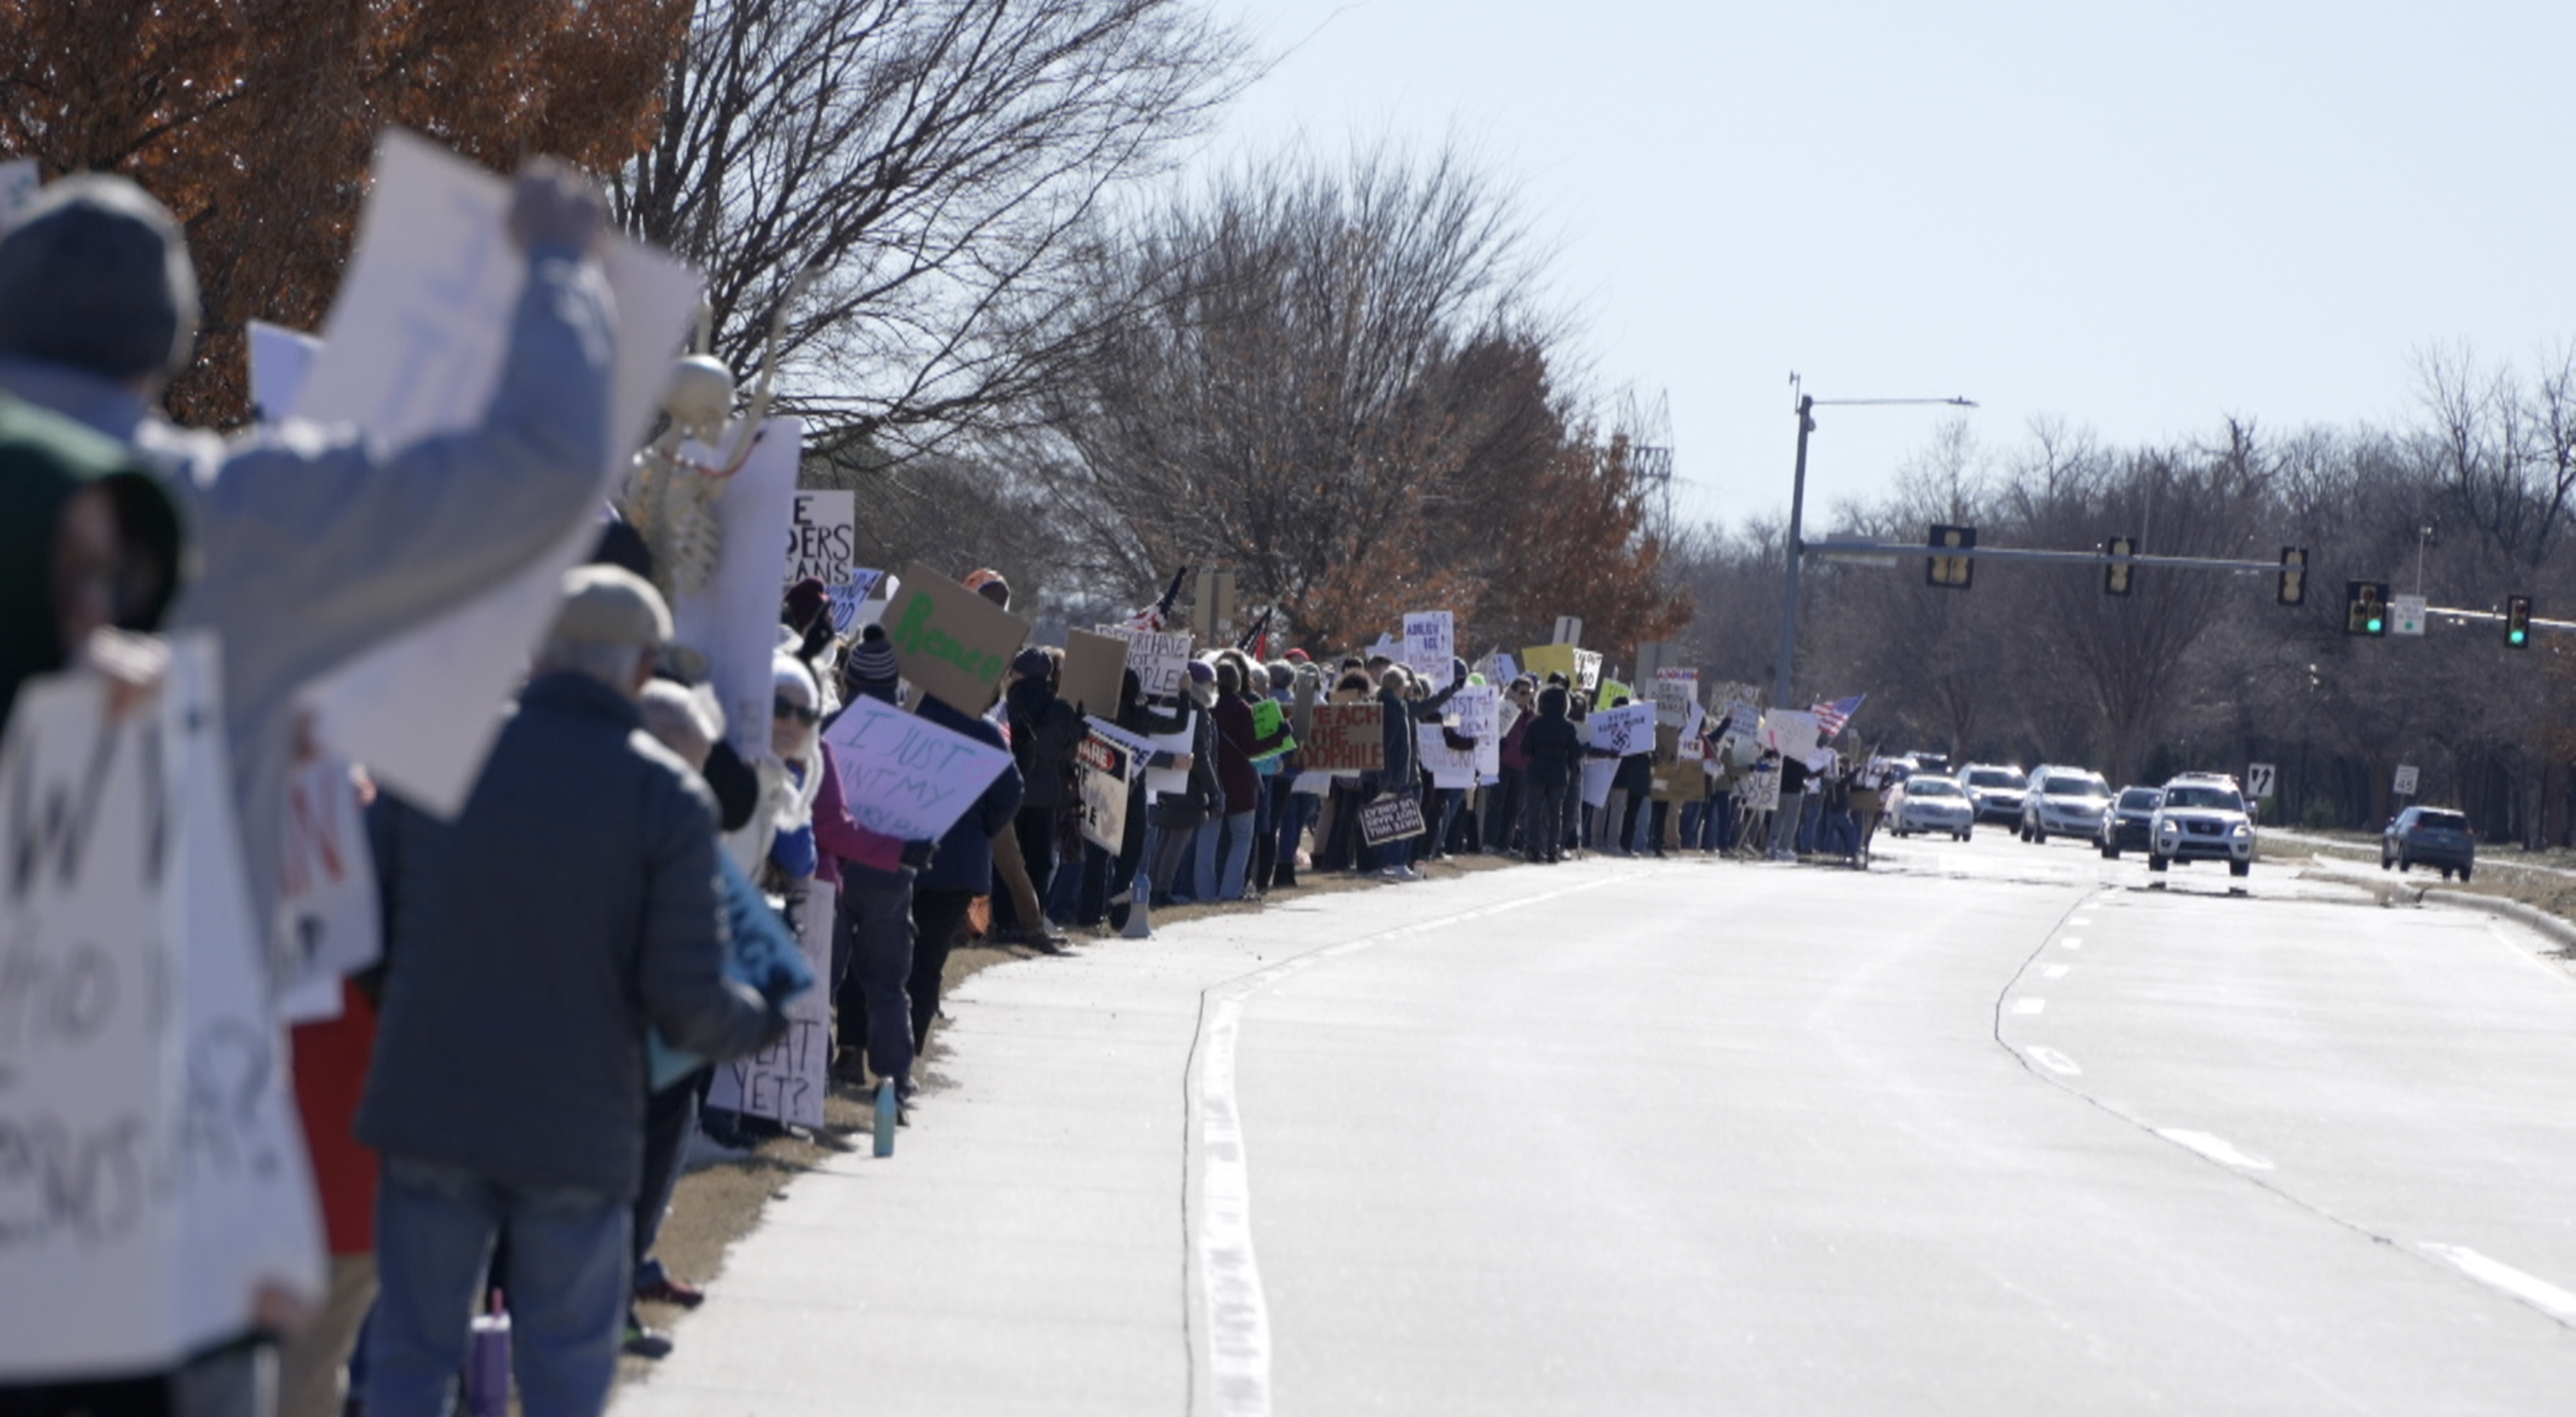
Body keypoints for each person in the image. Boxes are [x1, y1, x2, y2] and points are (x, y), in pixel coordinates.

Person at [0, 161, 618, 998]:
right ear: (168, 342)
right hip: (132, 1083)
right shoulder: (235, 519)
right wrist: (558, 268)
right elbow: (542, 462)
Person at [357, 567, 788, 1417]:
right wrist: (762, 1016)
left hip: (431, 1103)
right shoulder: (664, 796)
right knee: (562, 1373)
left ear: (538, 654)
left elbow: (364, 937)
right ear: (640, 672)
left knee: (408, 1359)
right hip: (579, 1121)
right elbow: (684, 994)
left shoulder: (435, 748)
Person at [1519, 684, 1579, 864]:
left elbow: (1524, 748)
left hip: (1537, 770)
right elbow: (1574, 752)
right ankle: (1553, 849)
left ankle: (1533, 848)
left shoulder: (1535, 723)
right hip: (1558, 773)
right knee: (1555, 813)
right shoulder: (1568, 727)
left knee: (1534, 812)